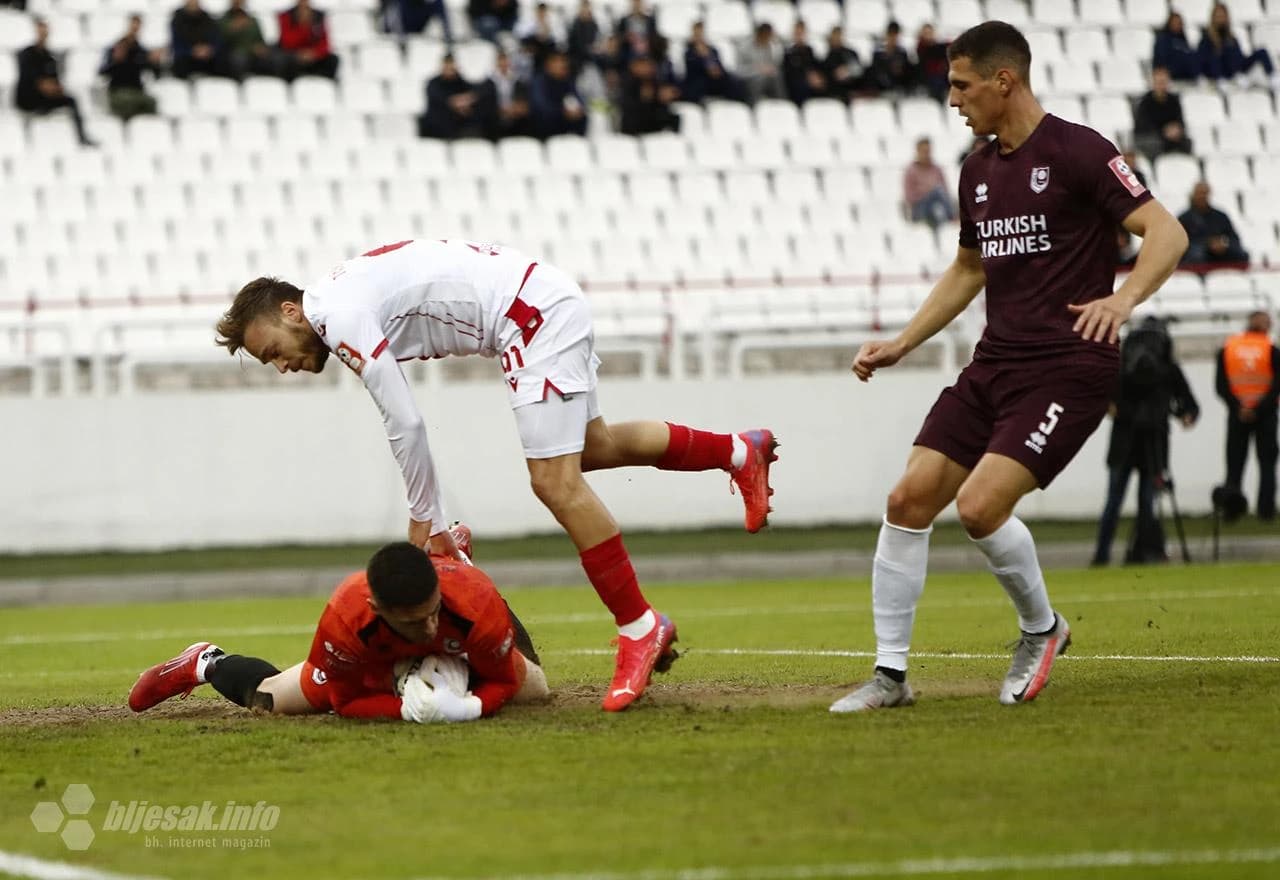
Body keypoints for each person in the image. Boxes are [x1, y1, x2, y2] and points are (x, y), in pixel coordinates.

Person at [214, 239, 779, 712]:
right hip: (538, 300)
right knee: (591, 449)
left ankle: (639, 626)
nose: (282, 365)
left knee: (553, 482)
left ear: (291, 311)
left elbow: (405, 422)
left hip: (528, 316)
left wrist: (423, 520)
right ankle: (737, 452)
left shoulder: (336, 315)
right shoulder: (342, 295)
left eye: (273, 351)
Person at [830, 21, 1188, 713]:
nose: (954, 100)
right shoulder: (977, 170)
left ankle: (1041, 629)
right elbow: (969, 268)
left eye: (962, 86)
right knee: (907, 502)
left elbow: (1166, 232)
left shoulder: (1080, 151)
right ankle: (890, 678)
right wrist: (903, 341)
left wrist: (1125, 298)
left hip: (1068, 366)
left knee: (979, 507)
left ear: (1005, 80)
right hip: (995, 361)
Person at [130, 530, 551, 722]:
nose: (428, 628)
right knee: (269, 699)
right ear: (377, 608)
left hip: (465, 616)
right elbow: (345, 701)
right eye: (413, 621)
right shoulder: (346, 618)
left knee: (535, 690)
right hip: (375, 664)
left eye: (432, 612)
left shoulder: (473, 604)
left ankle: (454, 561)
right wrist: (404, 705)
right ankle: (206, 662)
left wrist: (470, 707)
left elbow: (503, 681)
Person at [1091, 317, 1199, 566]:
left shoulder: (1121, 365)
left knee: (1114, 501)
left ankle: (1102, 556)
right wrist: (1186, 414)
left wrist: (1112, 407)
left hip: (1125, 441)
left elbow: (1104, 397)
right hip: (1154, 442)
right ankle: (1141, 554)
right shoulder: (1168, 367)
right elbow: (1190, 404)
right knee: (1146, 502)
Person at [1216, 311, 1280, 522]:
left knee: (1234, 463)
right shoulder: (1270, 349)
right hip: (1266, 414)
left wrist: (1238, 407)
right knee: (1267, 463)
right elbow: (1276, 385)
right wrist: (1258, 408)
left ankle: (1231, 511)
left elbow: (1221, 385)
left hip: (1237, 415)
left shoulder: (1229, 348)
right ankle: (1266, 512)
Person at [15, 18, 96, 146]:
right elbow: (35, 81)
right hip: (28, 98)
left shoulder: (49, 57)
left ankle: (82, 137)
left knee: (71, 100)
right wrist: (46, 85)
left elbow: (54, 82)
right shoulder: (27, 54)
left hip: (44, 98)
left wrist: (55, 88)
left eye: (45, 31)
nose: (43, 34)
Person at [100, 14, 164, 121]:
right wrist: (115, 61)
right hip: (118, 91)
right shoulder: (116, 48)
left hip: (136, 91)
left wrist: (155, 62)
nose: (135, 29)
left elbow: (156, 75)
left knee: (151, 102)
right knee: (129, 102)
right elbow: (102, 72)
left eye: (137, 26)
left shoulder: (141, 51)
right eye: (133, 25)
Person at [1198, 2, 1276, 86]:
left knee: (1262, 51)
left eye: (1223, 16)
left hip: (1237, 68)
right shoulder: (1206, 38)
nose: (1221, 19)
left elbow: (1239, 57)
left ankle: (1273, 77)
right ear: (1213, 18)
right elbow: (1203, 60)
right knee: (1217, 53)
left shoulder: (1231, 37)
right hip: (1219, 72)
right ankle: (1224, 79)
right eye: (1218, 16)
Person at [1178, 181, 1249, 268]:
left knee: (1242, 254)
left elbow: (1233, 238)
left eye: (1205, 193)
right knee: (1197, 255)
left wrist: (1223, 244)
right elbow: (1181, 244)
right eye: (1199, 193)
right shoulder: (1184, 218)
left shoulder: (1220, 216)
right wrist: (1207, 244)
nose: (1202, 196)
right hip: (1197, 253)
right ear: (1194, 194)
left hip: (1219, 253)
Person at [419, 54, 485, 140]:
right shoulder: (433, 83)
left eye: (452, 65)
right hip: (436, 127)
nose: (449, 68)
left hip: (457, 126)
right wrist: (455, 102)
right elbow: (440, 99)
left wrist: (466, 100)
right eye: (447, 65)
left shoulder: (460, 81)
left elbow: (476, 92)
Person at [1133, 67, 1192, 159]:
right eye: (1159, 82)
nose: (1161, 85)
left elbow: (1180, 121)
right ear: (1153, 83)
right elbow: (1143, 125)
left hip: (1170, 136)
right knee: (1154, 143)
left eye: (1164, 82)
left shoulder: (1173, 101)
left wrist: (1176, 129)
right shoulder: (1145, 102)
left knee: (1187, 142)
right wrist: (1163, 131)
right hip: (1152, 136)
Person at [683, 20, 744, 104]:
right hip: (700, 79)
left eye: (701, 33)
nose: (699, 36)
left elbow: (720, 65)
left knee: (732, 80)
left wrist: (717, 70)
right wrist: (704, 63)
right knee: (697, 85)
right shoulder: (689, 52)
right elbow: (691, 70)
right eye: (697, 33)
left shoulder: (712, 50)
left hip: (715, 79)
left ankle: (736, 102)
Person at [529, 50, 587, 138]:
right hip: (544, 129)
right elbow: (540, 107)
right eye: (557, 61)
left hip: (565, 126)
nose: (562, 64)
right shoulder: (539, 81)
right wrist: (563, 112)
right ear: (548, 64)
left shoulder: (568, 81)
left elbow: (578, 100)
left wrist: (578, 110)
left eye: (564, 61)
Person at [277, 0, 340, 80]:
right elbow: (286, 41)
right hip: (295, 56)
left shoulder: (319, 16)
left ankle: (322, 83)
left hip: (313, 56)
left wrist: (314, 53)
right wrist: (303, 26)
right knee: (284, 61)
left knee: (333, 60)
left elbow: (325, 43)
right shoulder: (286, 15)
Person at [902, 136, 955, 228]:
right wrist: (927, 192)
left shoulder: (937, 169)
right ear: (918, 151)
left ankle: (948, 220)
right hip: (918, 208)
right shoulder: (911, 171)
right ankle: (951, 217)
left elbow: (945, 192)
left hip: (937, 206)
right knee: (937, 192)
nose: (927, 154)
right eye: (924, 151)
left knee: (938, 197)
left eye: (928, 151)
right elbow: (909, 197)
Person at [220, 0, 277, 80]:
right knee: (239, 59)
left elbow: (259, 39)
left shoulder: (252, 20)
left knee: (274, 57)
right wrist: (234, 29)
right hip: (235, 53)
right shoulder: (223, 20)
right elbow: (221, 41)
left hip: (253, 53)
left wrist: (260, 47)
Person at [171, 0, 228, 79]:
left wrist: (209, 49)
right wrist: (192, 51)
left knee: (223, 61)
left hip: (207, 56)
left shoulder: (207, 19)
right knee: (180, 63)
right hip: (187, 57)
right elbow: (176, 43)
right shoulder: (177, 21)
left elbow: (217, 39)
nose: (193, 4)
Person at [868, 20, 915, 95]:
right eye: (891, 35)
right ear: (886, 35)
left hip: (899, 83)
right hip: (882, 84)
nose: (893, 38)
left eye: (895, 35)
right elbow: (876, 69)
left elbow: (906, 70)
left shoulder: (902, 52)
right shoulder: (878, 52)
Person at [821, 25, 865, 104]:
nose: (837, 38)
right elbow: (827, 76)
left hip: (852, 88)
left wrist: (848, 71)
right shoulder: (828, 57)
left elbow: (859, 70)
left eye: (839, 35)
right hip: (836, 92)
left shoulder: (850, 53)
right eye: (835, 36)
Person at [1152, 11, 1199, 84]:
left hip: (1186, 78)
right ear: (1169, 23)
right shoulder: (1162, 41)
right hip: (1169, 79)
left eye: (1179, 23)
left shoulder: (1184, 42)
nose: (1177, 25)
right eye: (1175, 22)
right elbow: (1162, 62)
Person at [915, 23, 950, 102]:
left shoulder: (941, 47)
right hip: (929, 79)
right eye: (926, 33)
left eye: (929, 33)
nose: (928, 36)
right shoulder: (922, 48)